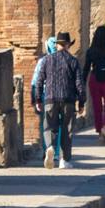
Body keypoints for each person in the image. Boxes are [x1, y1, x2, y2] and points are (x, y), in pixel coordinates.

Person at [30, 33, 81, 169]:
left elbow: (39, 81)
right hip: (68, 99)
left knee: (49, 127)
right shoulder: (73, 61)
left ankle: (50, 147)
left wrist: (37, 99)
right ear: (68, 45)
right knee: (66, 129)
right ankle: (64, 160)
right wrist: (81, 102)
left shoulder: (47, 60)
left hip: (50, 99)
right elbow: (79, 84)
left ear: (56, 45)